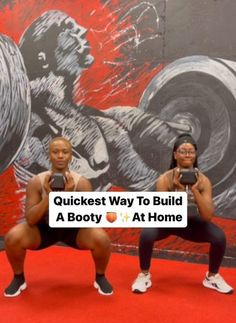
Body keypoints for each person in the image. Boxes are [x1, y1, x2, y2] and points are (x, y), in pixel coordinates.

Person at [13, 9, 178, 195]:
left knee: (128, 117)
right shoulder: (32, 129)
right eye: (68, 29)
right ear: (43, 59)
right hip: (62, 214)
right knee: (114, 131)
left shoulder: (75, 115)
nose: (82, 30)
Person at [4, 137, 113, 297]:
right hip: (44, 229)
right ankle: (18, 278)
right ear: (49, 155)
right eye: (56, 152)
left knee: (102, 239)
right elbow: (31, 219)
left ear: (70, 156)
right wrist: (49, 197)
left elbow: (88, 218)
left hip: (73, 230)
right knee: (13, 237)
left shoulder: (81, 183)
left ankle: (100, 276)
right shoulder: (37, 182)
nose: (60, 156)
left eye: (65, 152)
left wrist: (68, 197)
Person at [132, 133, 234, 295]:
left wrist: (195, 192)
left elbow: (207, 216)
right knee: (146, 234)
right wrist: (177, 192)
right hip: (168, 221)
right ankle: (144, 275)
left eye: (191, 151)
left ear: (195, 155)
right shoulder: (165, 179)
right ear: (175, 155)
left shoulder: (203, 181)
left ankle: (212, 277)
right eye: (183, 151)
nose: (187, 154)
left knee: (219, 236)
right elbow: (161, 212)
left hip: (192, 223)